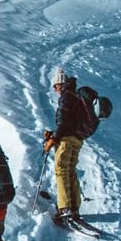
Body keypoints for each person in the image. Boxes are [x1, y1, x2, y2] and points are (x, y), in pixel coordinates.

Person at [43, 67, 92, 227]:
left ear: (61, 84)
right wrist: (54, 134)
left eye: (56, 85)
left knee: (61, 170)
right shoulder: (76, 97)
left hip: (66, 140)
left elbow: (63, 121)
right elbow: (69, 121)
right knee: (70, 171)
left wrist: (54, 139)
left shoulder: (65, 98)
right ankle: (74, 207)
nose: (55, 89)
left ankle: (64, 208)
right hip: (77, 139)